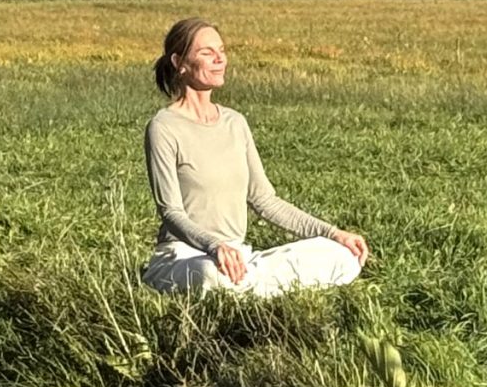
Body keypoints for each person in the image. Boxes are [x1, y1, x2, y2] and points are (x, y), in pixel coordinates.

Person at [141, 17, 369, 297]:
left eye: (221, 51)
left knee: (341, 255)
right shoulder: (164, 127)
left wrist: (333, 233)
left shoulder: (235, 123)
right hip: (186, 257)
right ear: (179, 62)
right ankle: (250, 286)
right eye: (206, 52)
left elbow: (265, 200)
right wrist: (214, 246)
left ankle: (248, 285)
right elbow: (171, 212)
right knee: (211, 275)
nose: (219, 59)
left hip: (238, 256)